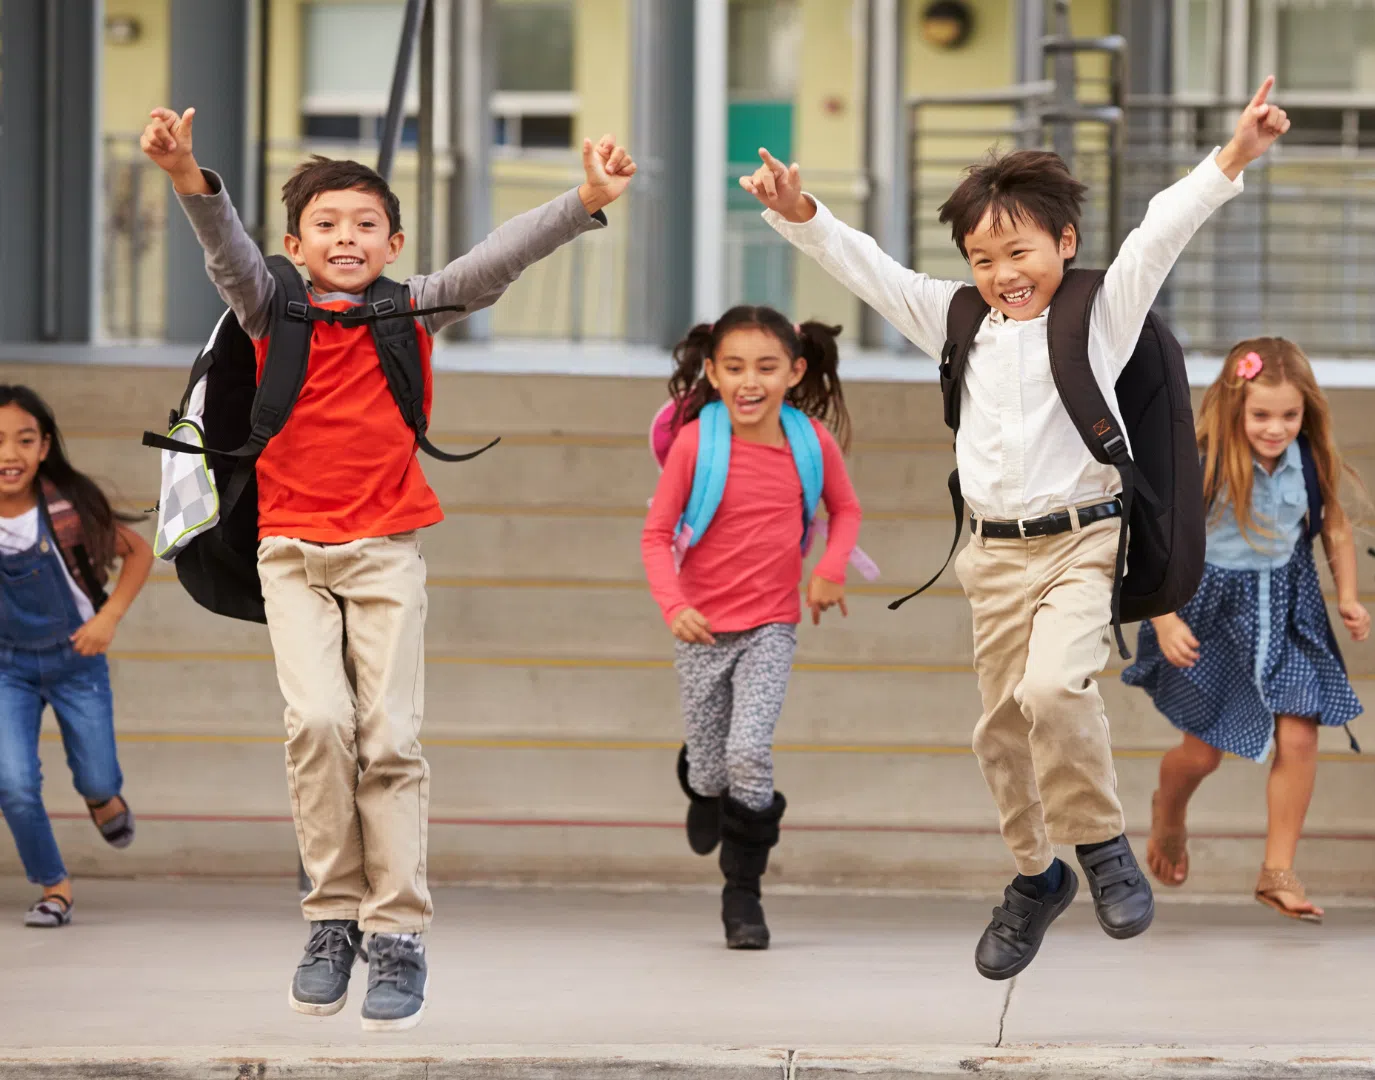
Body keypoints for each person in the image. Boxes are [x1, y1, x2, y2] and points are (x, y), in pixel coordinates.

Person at [743, 76, 1293, 980]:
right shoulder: (960, 322)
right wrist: (801, 211)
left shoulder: (1098, 315)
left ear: (1064, 244)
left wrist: (1233, 155)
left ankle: (1104, 846)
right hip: (991, 558)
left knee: (1053, 694)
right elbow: (870, 270)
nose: (1004, 273)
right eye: (983, 256)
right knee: (999, 732)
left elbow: (1161, 231)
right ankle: (1037, 877)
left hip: (1083, 545)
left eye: (1020, 251)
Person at [143, 104, 634, 1029]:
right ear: (294, 242)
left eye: (366, 224)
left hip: (386, 553)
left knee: (391, 739)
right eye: (325, 225)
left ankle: (398, 933)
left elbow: (500, 257)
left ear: (394, 240)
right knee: (320, 724)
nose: (346, 238)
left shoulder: (411, 308)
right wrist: (186, 175)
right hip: (288, 553)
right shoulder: (267, 305)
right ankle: (332, 917)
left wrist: (584, 199)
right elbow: (226, 249)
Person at [1121, 339, 1367, 921]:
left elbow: (1334, 527)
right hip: (1209, 612)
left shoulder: (1310, 458)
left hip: (1286, 607)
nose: (1276, 428)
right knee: (1202, 755)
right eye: (1261, 415)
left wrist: (1349, 595)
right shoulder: (1202, 460)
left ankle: (1277, 870)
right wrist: (1163, 615)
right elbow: (1153, 540)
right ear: (1235, 407)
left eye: (1290, 415)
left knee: (1301, 734)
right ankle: (1169, 813)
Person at [642, 307, 863, 951]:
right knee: (712, 771)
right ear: (711, 372)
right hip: (701, 629)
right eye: (734, 367)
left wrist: (830, 567)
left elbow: (845, 511)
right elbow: (656, 536)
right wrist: (673, 606)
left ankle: (743, 896)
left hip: (771, 624)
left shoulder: (810, 442)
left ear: (795, 372)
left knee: (749, 754)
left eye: (767, 368)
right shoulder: (696, 443)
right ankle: (702, 786)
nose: (749, 381)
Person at [0, 387, 152, 928]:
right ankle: (53, 886)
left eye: (23, 440)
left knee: (97, 777)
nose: (9, 454)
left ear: (44, 447)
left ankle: (101, 799)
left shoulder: (65, 507)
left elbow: (138, 552)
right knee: (12, 784)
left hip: (75, 661)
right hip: (6, 668)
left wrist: (107, 618)